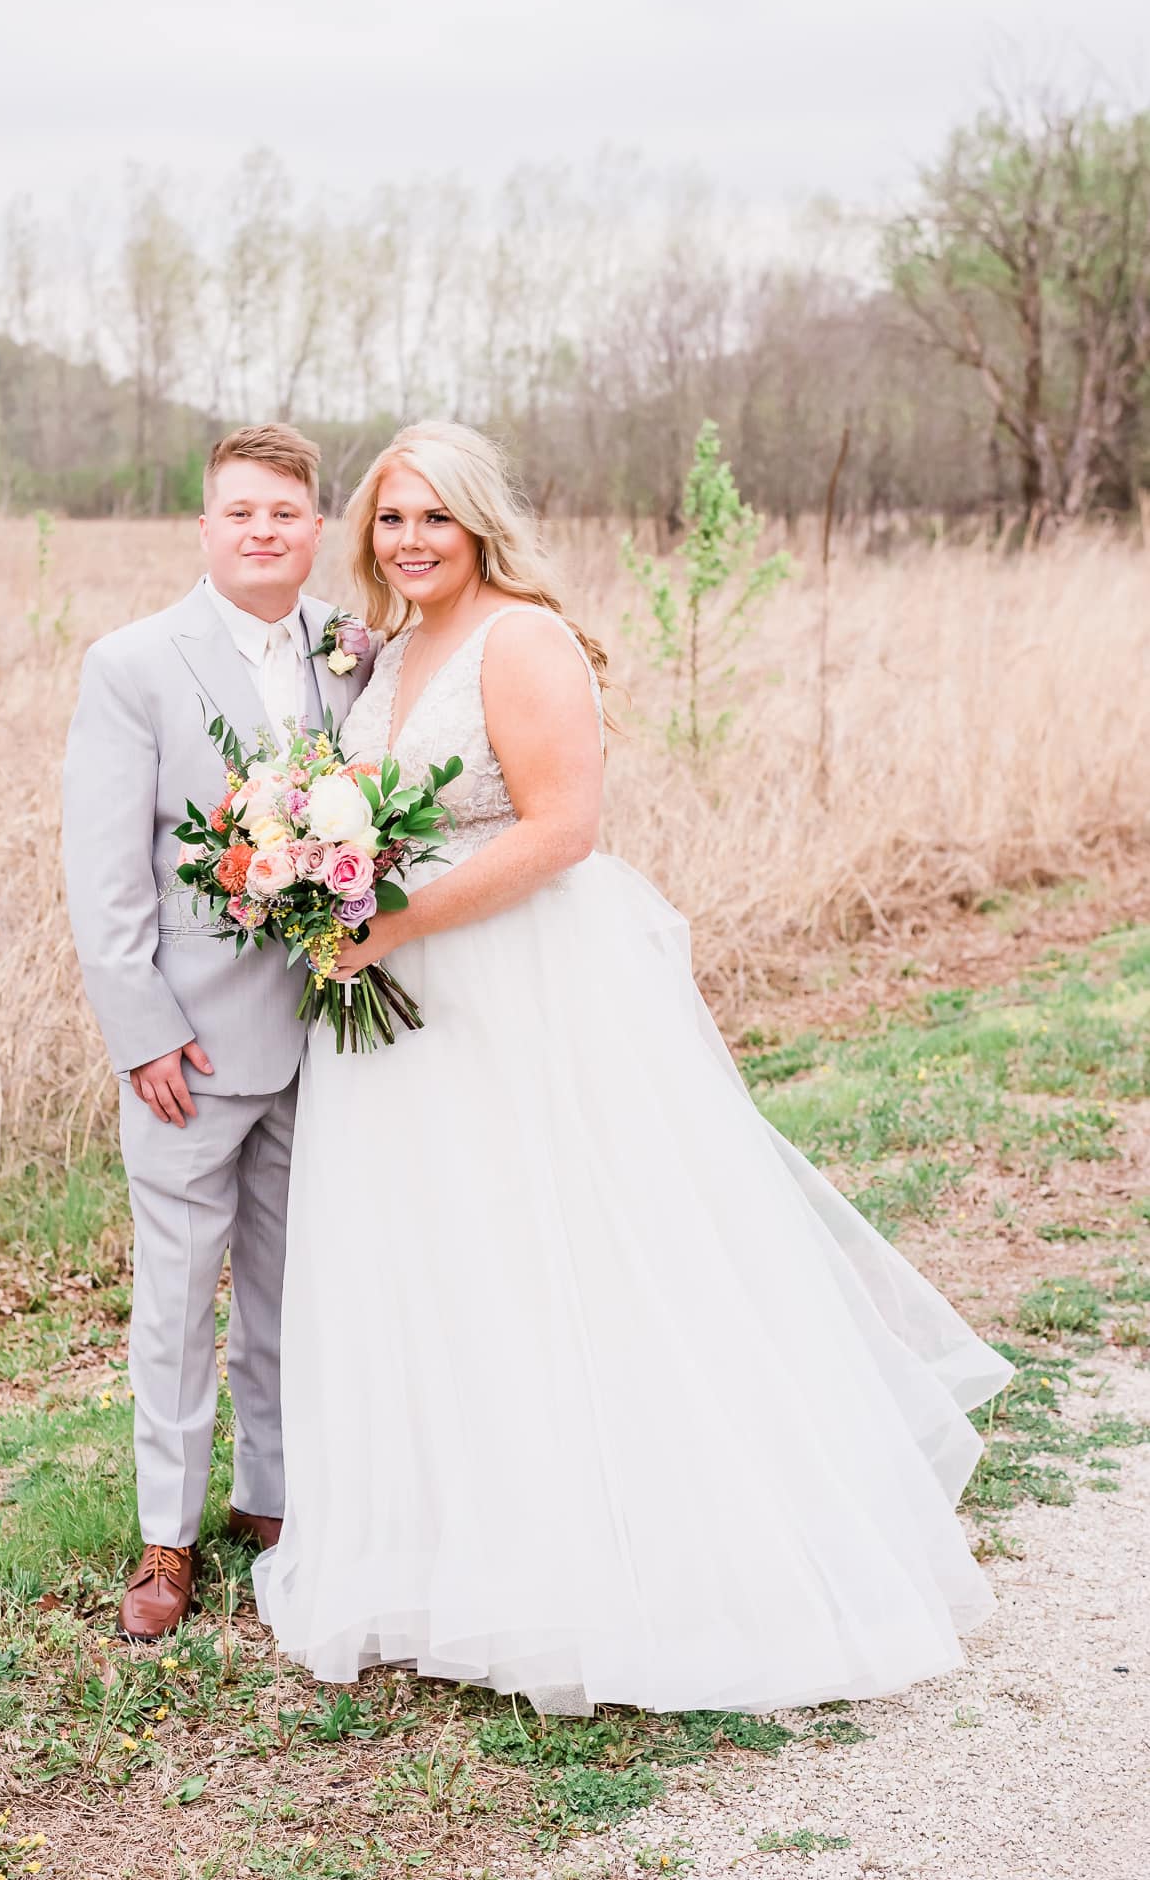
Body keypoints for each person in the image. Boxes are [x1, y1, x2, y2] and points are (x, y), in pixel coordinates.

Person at [253, 420, 1013, 1716]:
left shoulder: (521, 637)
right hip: (401, 1008)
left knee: (561, 1254)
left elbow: (563, 829)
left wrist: (391, 922)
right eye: (390, 518)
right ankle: (458, 1556)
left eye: (433, 517)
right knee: (442, 1267)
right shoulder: (383, 648)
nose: (411, 539)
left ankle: (614, 1563)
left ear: (477, 523)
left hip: (514, 985)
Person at [62, 424, 375, 1640]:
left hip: (333, 1033)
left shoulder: (351, 654)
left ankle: (275, 1498)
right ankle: (165, 1535)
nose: (262, 531)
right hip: (188, 1046)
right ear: (204, 527)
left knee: (297, 1284)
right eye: (239, 511)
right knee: (178, 1292)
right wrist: (140, 1031)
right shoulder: (134, 663)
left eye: (285, 514)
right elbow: (105, 874)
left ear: (312, 528)